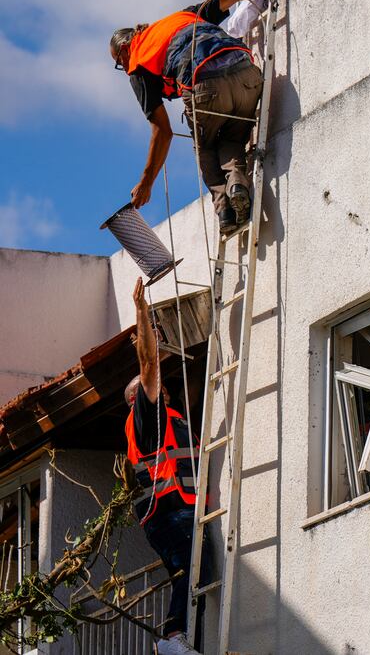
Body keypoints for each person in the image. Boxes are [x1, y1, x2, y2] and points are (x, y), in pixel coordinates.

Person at [109, 0, 269, 235]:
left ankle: (224, 210)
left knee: (205, 145)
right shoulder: (182, 17)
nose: (124, 67)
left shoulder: (138, 61)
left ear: (124, 50)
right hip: (247, 74)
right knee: (233, 137)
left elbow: (162, 130)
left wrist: (146, 182)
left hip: (206, 85)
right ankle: (237, 184)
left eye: (119, 63)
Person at [125, 278, 208, 654]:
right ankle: (175, 638)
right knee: (191, 569)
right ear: (136, 398)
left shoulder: (173, 418)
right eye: (151, 386)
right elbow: (147, 364)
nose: (160, 386)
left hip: (178, 510)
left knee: (196, 575)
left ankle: (182, 640)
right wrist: (142, 314)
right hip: (167, 511)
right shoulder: (146, 416)